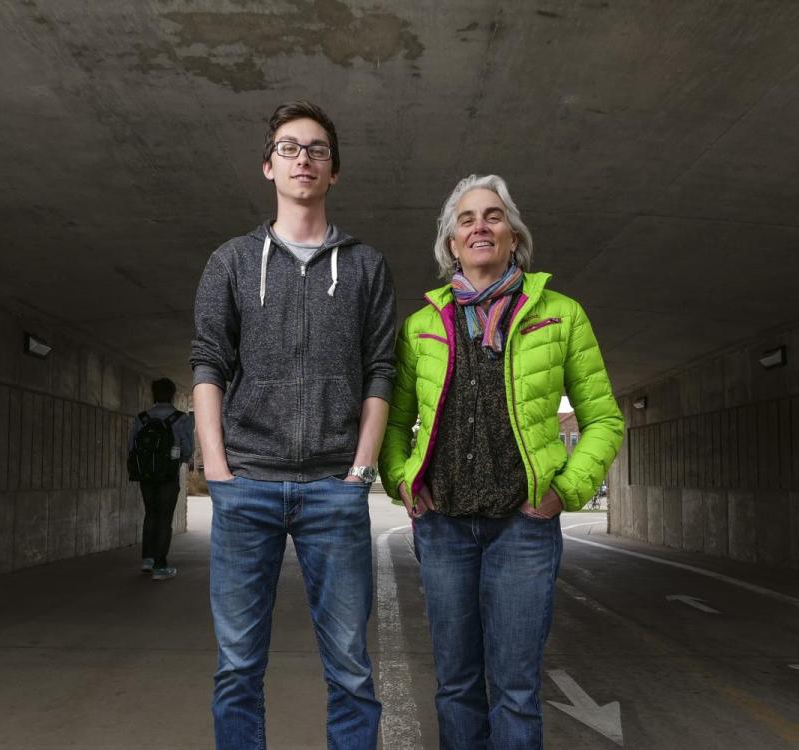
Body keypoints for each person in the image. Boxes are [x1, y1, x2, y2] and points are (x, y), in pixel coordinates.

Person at [381, 175, 624, 748]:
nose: (480, 226)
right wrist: (400, 481)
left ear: (513, 237)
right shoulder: (419, 328)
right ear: (451, 246)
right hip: (443, 530)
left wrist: (565, 491)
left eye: (493, 216)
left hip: (524, 528)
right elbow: (393, 423)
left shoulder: (560, 314)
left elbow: (605, 420)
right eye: (466, 220)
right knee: (456, 683)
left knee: (515, 689)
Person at [190, 99, 397, 749]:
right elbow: (208, 365)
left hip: (332, 490)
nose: (302, 158)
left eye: (316, 150)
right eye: (289, 148)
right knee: (237, 671)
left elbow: (381, 372)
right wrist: (218, 470)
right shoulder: (230, 261)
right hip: (246, 486)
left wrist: (359, 470)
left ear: (334, 172)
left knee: (352, 672)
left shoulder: (365, 267)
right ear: (267, 167)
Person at [128, 377, 194, 581]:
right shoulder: (181, 419)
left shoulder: (141, 418)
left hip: (146, 475)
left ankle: (147, 559)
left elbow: (132, 447)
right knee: (165, 518)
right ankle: (160, 565)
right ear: (173, 394)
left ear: (153, 394)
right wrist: (177, 460)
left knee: (151, 514)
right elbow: (188, 449)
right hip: (168, 475)